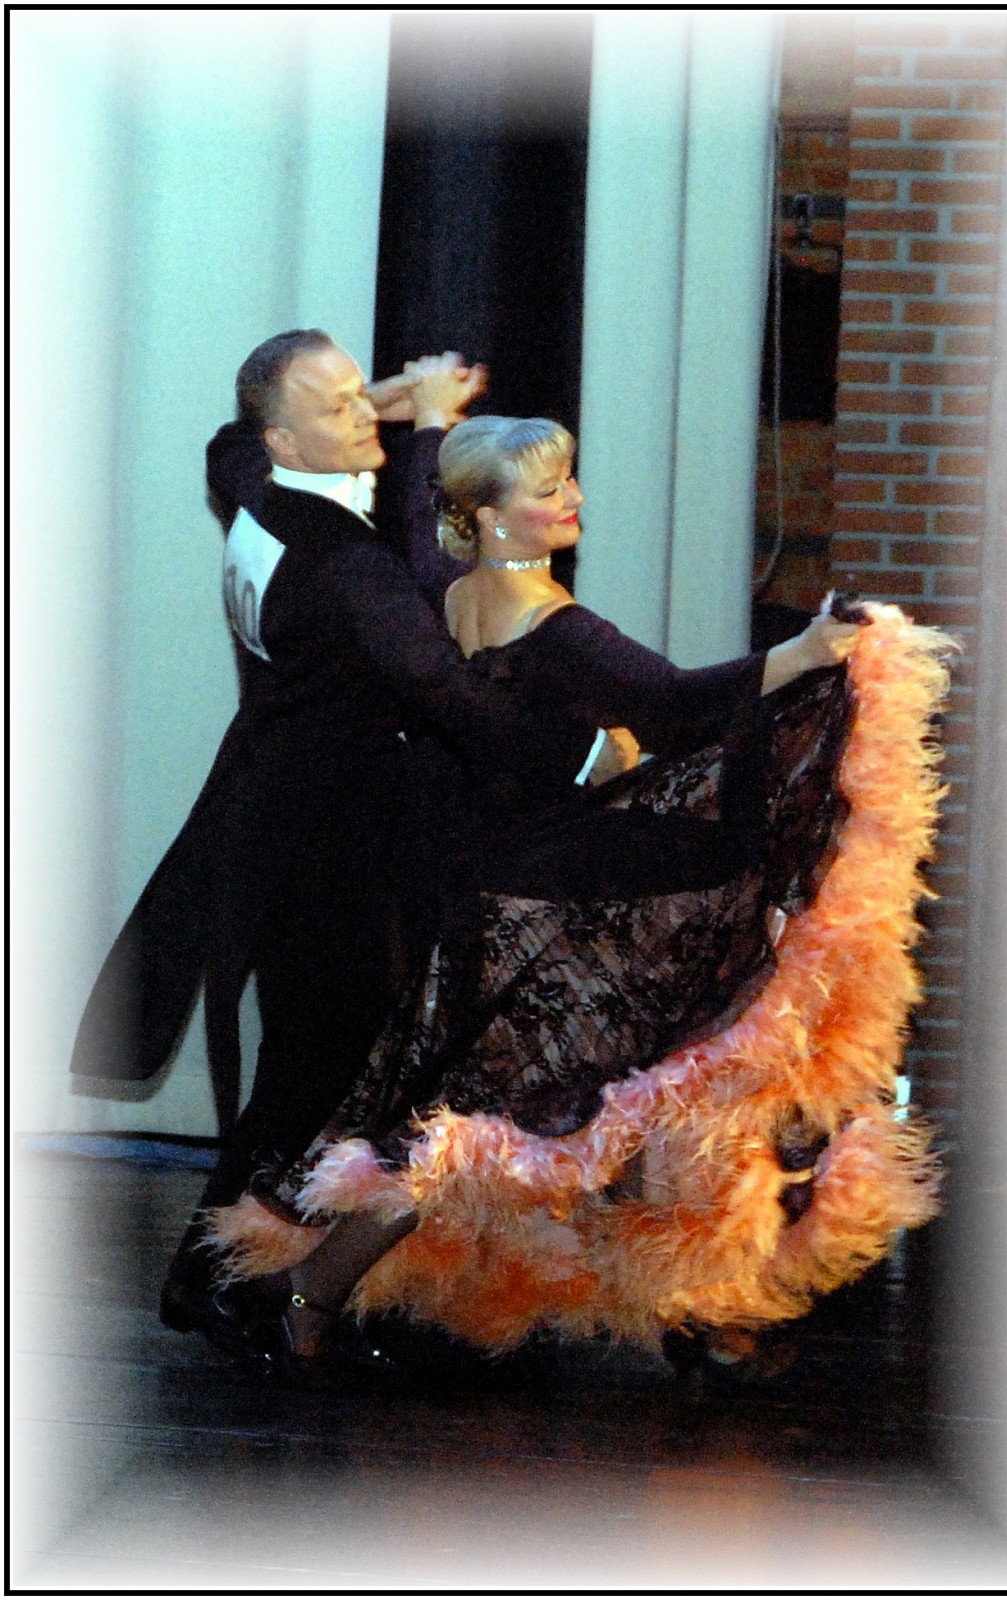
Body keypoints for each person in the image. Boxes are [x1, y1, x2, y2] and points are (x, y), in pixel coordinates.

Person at [203, 414, 863, 1379]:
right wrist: (806, 653)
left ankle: (700, 1316)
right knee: (503, 1119)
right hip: (544, 912)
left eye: (569, 481)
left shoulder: (452, 588)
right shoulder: (556, 626)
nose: (573, 500)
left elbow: (424, 531)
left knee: (589, 1105)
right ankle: (305, 1296)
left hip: (488, 891)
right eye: (549, 491)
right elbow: (675, 702)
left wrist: (434, 426)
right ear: (494, 517)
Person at [70, 347, 616, 1349]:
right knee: (316, 1073)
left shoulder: (249, 482)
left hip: (271, 816)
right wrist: (585, 753)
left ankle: (213, 1274)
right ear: (285, 438)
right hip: (328, 850)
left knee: (305, 1068)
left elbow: (226, 437)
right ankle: (219, 1276)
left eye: (360, 391)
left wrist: (398, 406)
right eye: (336, 409)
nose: (362, 414)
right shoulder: (349, 567)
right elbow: (448, 692)